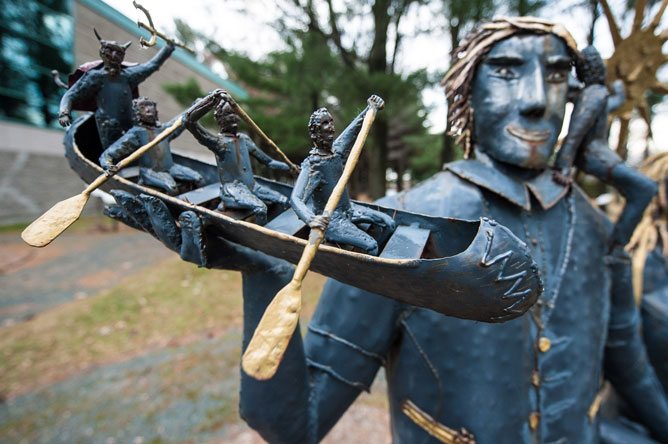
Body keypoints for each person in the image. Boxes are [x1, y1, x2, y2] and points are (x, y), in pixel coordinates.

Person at [106, 17, 668, 444]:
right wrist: (266, 268)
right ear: (465, 91)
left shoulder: (599, 228)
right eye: (505, 71)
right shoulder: (398, 230)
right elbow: (294, 426)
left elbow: (631, 369)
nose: (536, 101)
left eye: (555, 74)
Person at [552, 46, 657, 249]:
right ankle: (617, 247)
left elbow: (612, 104)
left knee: (644, 188)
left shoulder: (596, 94)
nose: (602, 66)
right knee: (645, 188)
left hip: (600, 154)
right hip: (594, 156)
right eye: (598, 63)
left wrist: (620, 89)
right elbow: (577, 130)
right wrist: (563, 165)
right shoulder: (594, 94)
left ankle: (616, 243)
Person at [291, 99, 395, 255]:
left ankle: (379, 259)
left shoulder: (336, 150)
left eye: (331, 122)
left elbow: (354, 128)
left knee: (389, 223)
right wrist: (311, 219)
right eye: (325, 124)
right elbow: (295, 198)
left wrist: (370, 108)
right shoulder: (312, 165)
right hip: (331, 220)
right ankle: (366, 270)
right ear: (315, 133)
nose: (331, 127)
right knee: (371, 246)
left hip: (349, 210)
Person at [183, 92, 291, 224]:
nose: (234, 117)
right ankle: (260, 241)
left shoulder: (244, 140)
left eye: (235, 114)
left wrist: (291, 167)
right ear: (220, 119)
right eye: (229, 114)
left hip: (253, 186)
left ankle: (281, 231)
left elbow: (268, 162)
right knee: (260, 208)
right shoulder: (218, 142)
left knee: (284, 200)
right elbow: (188, 121)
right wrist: (211, 101)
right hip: (233, 190)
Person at [58, 29, 174, 149]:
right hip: (109, 127)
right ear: (102, 53)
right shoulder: (95, 77)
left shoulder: (129, 76)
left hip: (131, 125)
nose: (114, 56)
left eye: (118, 53)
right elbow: (71, 95)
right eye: (110, 51)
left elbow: (151, 65)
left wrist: (168, 48)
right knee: (114, 156)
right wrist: (64, 113)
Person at [98, 97, 205, 195]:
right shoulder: (136, 133)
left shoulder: (163, 129)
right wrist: (108, 165)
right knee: (171, 188)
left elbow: (181, 120)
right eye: (142, 107)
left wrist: (195, 107)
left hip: (171, 167)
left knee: (199, 179)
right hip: (151, 172)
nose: (148, 110)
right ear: (136, 112)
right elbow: (107, 155)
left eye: (150, 105)